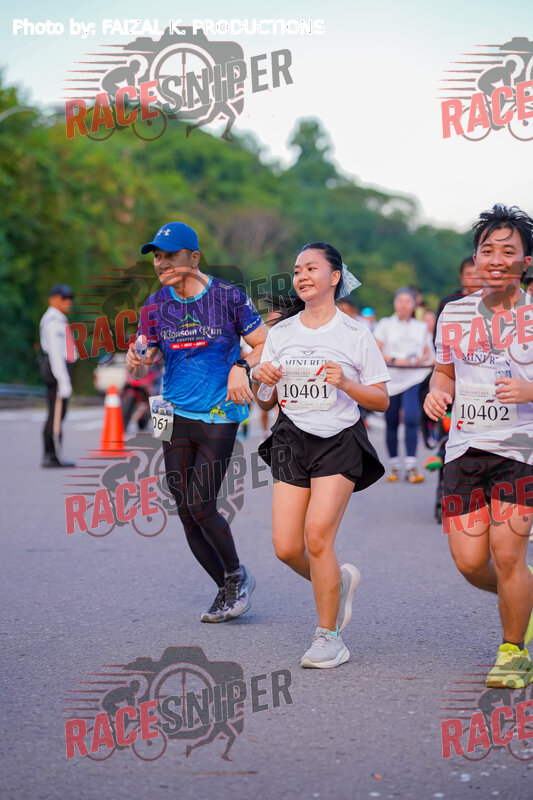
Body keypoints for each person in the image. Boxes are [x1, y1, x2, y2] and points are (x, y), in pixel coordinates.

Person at [254, 242, 390, 668]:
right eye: (297, 270)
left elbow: (381, 399)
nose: (302, 276)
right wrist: (264, 380)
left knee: (317, 536)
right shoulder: (281, 333)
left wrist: (347, 383)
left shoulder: (354, 333)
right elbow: (265, 400)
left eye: (311, 268)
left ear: (334, 277)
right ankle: (337, 584)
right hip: (291, 438)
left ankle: (329, 637)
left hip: (338, 440)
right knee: (286, 547)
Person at [126, 222, 267, 622]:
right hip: (172, 412)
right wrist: (136, 362)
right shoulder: (155, 305)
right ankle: (228, 586)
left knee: (201, 501)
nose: (161, 263)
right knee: (185, 509)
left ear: (194, 257)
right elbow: (145, 360)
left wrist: (241, 367)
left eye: (169, 255)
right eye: (157, 256)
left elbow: (263, 344)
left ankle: (236, 576)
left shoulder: (228, 296)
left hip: (219, 410)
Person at [424, 204, 533, 689]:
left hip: (521, 449)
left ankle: (513, 652)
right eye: (487, 250)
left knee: (508, 554)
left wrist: (529, 390)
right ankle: (523, 596)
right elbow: (444, 371)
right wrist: (436, 391)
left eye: (508, 251)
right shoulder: (455, 313)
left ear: (526, 261)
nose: (496, 260)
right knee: (470, 562)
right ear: (475, 258)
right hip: (465, 448)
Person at [374, 288, 435, 482]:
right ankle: (394, 466)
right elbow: (375, 349)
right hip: (390, 379)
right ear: (395, 303)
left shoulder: (420, 327)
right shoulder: (385, 324)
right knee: (391, 421)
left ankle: (411, 466)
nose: (403, 305)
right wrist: (394, 359)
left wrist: (417, 359)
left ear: (414, 305)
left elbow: (428, 351)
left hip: (412, 378)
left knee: (410, 418)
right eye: (400, 300)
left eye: (407, 301)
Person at [39, 284, 77, 467]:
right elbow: (56, 354)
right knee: (55, 413)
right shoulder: (53, 321)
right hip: (56, 370)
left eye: (69, 298)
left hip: (58, 369)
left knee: (58, 413)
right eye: (64, 298)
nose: (68, 302)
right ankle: (51, 455)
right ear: (53, 299)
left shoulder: (59, 319)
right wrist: (63, 380)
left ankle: (54, 454)